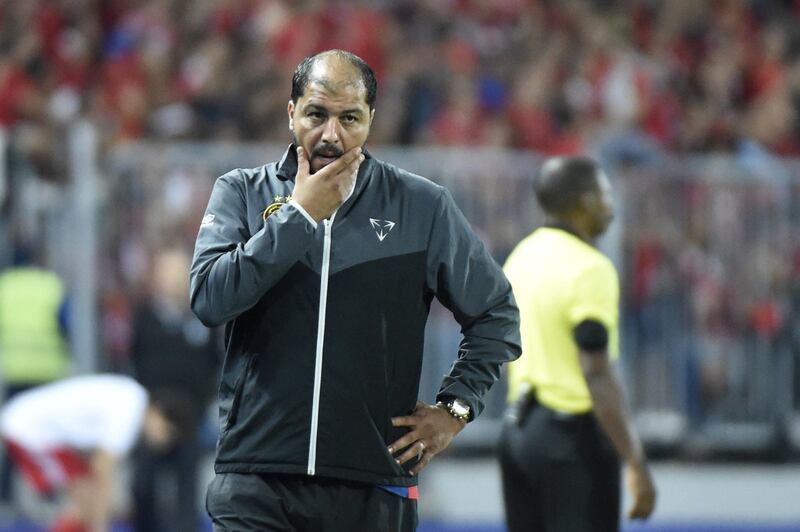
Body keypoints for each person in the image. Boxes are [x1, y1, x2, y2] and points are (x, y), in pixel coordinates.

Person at [190, 49, 521, 532]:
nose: (331, 134)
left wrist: (456, 407)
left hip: (373, 488)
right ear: (290, 113)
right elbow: (210, 299)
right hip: (255, 482)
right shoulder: (242, 192)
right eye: (316, 114)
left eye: (349, 118)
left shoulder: (421, 207)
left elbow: (496, 314)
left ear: (371, 120)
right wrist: (298, 218)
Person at [499, 156, 657, 532]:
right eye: (605, 194)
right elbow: (596, 373)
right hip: (571, 441)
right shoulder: (590, 268)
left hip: (518, 433)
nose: (611, 205)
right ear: (585, 202)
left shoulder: (520, 257)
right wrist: (635, 461)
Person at [0, 374, 182, 532]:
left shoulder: (130, 396)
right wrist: (100, 526)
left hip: (40, 432)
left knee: (86, 503)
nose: (162, 441)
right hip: (29, 430)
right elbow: (102, 471)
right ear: (159, 413)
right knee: (86, 503)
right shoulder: (130, 411)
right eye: (167, 432)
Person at [129, 248, 221, 532]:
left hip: (190, 414)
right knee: (142, 483)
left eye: (179, 272)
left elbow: (213, 363)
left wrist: (200, 403)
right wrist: (146, 411)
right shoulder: (144, 318)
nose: (173, 279)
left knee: (187, 485)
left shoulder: (201, 316)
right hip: (152, 411)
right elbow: (134, 362)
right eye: (167, 272)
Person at [0, 244, 71, 506]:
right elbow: (66, 322)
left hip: (15, 368)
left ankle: (5, 490)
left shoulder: (5, 285)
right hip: (46, 369)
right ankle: (47, 490)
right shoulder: (50, 285)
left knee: (13, 431)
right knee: (46, 434)